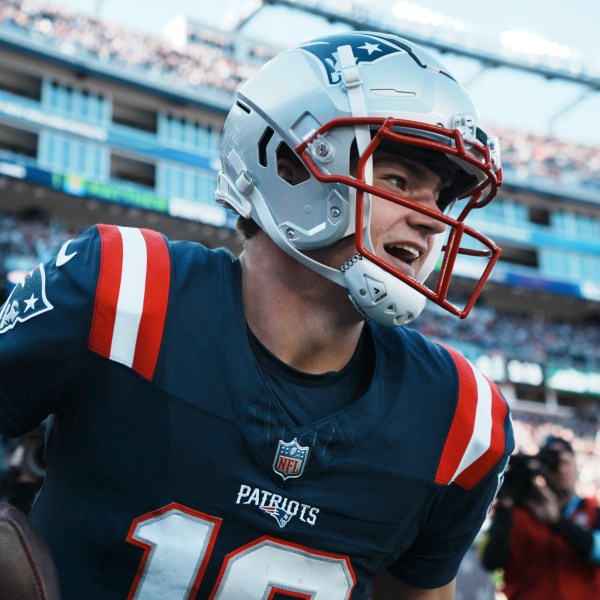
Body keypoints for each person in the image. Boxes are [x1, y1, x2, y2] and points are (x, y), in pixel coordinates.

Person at [0, 31, 513, 599]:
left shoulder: (458, 416)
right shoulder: (126, 288)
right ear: (290, 165)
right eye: (397, 180)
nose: (434, 221)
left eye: (440, 198)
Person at [480, 436, 600, 599]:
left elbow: (597, 551)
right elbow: (492, 560)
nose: (561, 470)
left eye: (565, 462)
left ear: (576, 466)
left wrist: (557, 522)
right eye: (553, 463)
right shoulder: (521, 515)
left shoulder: (593, 511)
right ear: (542, 469)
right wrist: (504, 509)